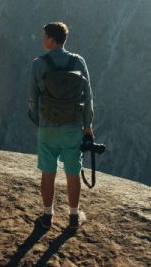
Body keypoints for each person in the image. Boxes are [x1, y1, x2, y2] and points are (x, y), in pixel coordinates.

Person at [27, 21, 94, 230]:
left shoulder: (38, 64)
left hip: (47, 126)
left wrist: (37, 122)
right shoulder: (78, 62)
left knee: (48, 171)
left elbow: (32, 98)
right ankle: (74, 217)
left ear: (51, 39)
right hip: (72, 127)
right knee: (73, 172)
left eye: (44, 36)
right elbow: (88, 96)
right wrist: (88, 125)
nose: (42, 40)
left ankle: (47, 216)